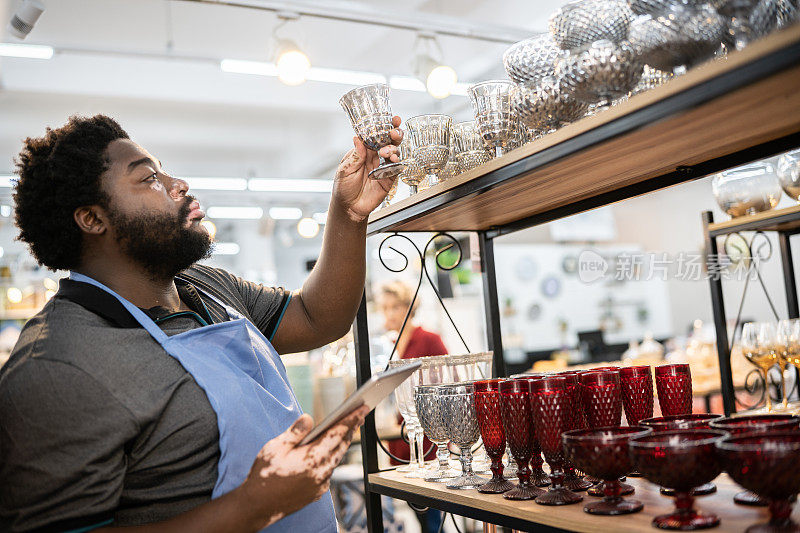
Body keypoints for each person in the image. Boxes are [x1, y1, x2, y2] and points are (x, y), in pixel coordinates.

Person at [0, 114, 402, 532]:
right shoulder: (55, 365)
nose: (179, 184)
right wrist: (254, 506)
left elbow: (317, 317)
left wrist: (348, 213)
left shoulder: (202, 285)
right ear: (92, 218)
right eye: (149, 178)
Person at [379, 280, 447, 533]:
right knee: (416, 508)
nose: (389, 314)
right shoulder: (390, 345)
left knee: (431, 512)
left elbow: (447, 383)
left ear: (409, 307)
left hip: (428, 438)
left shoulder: (428, 339)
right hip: (401, 438)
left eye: (395, 307)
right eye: (385, 308)